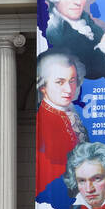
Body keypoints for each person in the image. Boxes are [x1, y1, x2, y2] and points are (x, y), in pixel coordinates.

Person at [36, 51, 89, 194]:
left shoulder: (71, 112)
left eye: (72, 81)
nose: (68, 89)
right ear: (43, 86)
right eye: (60, 82)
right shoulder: (45, 119)